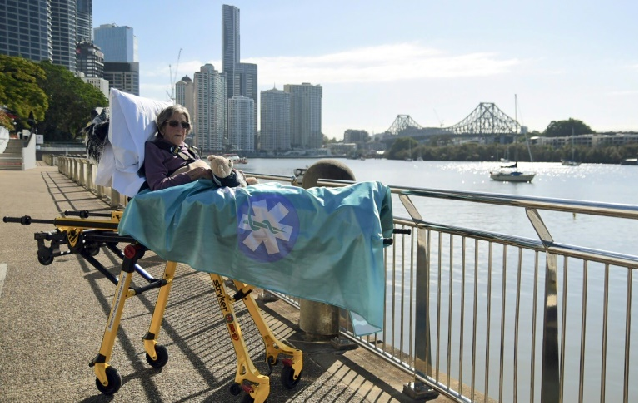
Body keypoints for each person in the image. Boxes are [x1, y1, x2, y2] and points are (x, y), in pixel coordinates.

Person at [141, 105, 212, 191]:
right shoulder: (155, 149)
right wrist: (190, 175)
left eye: (184, 125)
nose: (179, 128)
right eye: (173, 124)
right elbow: (158, 186)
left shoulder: (187, 148)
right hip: (187, 196)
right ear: (162, 128)